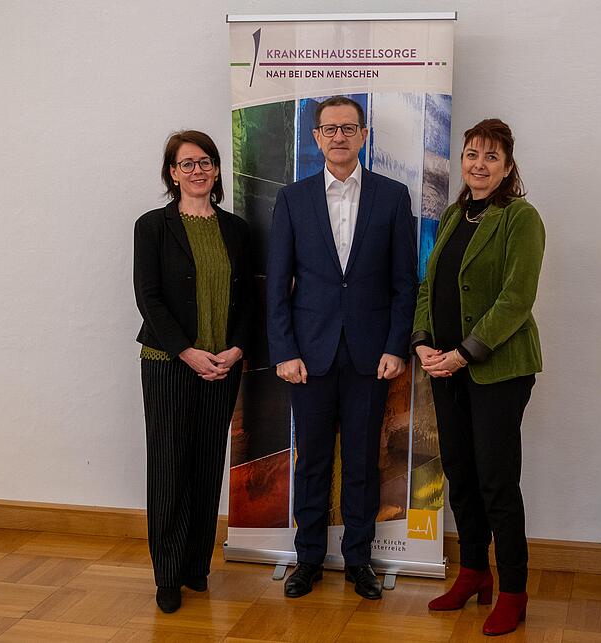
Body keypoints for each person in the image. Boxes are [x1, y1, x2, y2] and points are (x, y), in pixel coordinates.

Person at [266, 96, 417, 600]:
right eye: (329, 129)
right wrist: (284, 350)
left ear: (363, 135)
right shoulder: (292, 199)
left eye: (348, 128)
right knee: (311, 463)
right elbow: (278, 284)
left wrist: (397, 346)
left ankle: (359, 562)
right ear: (316, 137)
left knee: (360, 463)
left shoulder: (393, 198)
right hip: (307, 358)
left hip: (370, 358)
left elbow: (404, 284)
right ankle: (307, 560)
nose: (338, 136)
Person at [412, 119, 544, 636]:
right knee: (460, 475)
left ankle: (512, 590)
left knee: (496, 481)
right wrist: (422, 339)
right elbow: (430, 284)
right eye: (471, 154)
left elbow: (517, 298)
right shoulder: (451, 214)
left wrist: (464, 353)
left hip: (496, 372)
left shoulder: (521, 218)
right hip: (444, 368)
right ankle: (472, 573)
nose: (479, 164)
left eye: (491, 156)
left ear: (508, 165)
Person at [133, 130, 252, 613]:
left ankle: (195, 568)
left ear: (218, 170)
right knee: (169, 468)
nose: (197, 170)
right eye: (186, 164)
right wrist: (186, 351)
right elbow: (149, 297)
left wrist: (238, 348)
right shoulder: (152, 226)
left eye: (205, 162)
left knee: (206, 465)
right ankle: (167, 576)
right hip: (168, 364)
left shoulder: (237, 230)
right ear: (171, 173)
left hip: (223, 367)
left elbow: (248, 297)